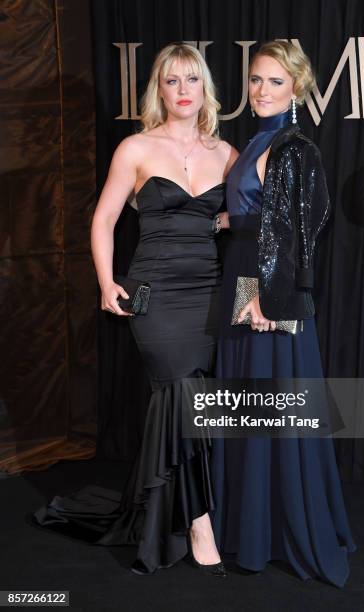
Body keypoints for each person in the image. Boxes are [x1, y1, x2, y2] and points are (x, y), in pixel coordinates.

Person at [32, 43, 237, 577]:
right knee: (181, 393)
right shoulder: (136, 148)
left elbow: (243, 226)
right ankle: (199, 525)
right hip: (157, 294)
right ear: (159, 89)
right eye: (172, 81)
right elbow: (102, 221)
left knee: (197, 401)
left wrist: (226, 225)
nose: (184, 90)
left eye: (192, 79)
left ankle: (176, 508)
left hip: (209, 295)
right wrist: (105, 282)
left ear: (205, 88)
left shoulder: (226, 153)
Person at [209, 40, 356, 587]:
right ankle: (250, 527)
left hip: (267, 290)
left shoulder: (296, 147)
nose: (261, 90)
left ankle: (276, 530)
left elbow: (302, 233)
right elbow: (260, 214)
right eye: (254, 79)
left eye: (274, 81)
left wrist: (270, 299)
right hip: (244, 276)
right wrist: (229, 221)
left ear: (296, 87)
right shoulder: (253, 143)